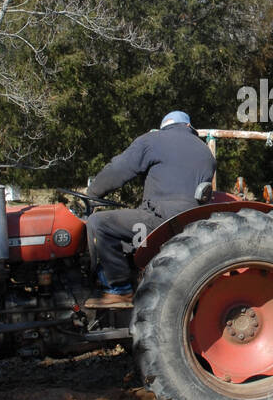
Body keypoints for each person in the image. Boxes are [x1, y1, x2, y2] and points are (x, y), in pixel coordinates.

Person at [82, 111, 216, 308]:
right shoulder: (205, 151)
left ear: (163, 127)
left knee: (99, 223)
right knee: (127, 233)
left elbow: (118, 170)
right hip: (191, 223)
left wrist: (92, 193)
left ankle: (119, 290)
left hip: (161, 222)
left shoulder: (153, 141)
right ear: (188, 127)